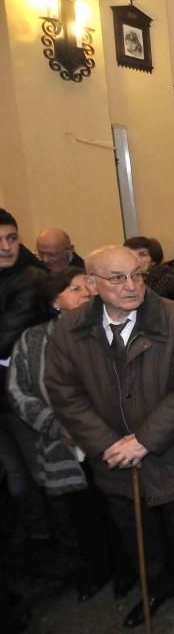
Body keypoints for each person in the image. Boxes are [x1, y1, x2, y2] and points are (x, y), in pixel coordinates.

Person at [45, 246, 174, 629]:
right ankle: (156, 587)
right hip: (114, 458)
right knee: (137, 534)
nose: (131, 285)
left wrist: (145, 439)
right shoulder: (70, 329)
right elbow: (64, 393)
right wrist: (107, 444)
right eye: (117, 278)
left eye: (136, 275)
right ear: (91, 283)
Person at [8, 267, 131, 602]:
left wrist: (95, 428)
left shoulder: (107, 331)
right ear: (54, 301)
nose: (86, 294)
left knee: (116, 512)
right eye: (76, 289)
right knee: (80, 516)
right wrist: (57, 426)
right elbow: (18, 392)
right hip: (62, 444)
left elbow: (123, 387)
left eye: (88, 287)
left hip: (106, 440)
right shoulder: (32, 340)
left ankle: (126, 572)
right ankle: (95, 570)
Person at [0, 209, 50, 550]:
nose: (6, 247)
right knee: (15, 478)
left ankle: (64, 547)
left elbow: (5, 336)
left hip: (25, 395)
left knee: (42, 473)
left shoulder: (32, 278)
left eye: (12, 238)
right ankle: (38, 537)